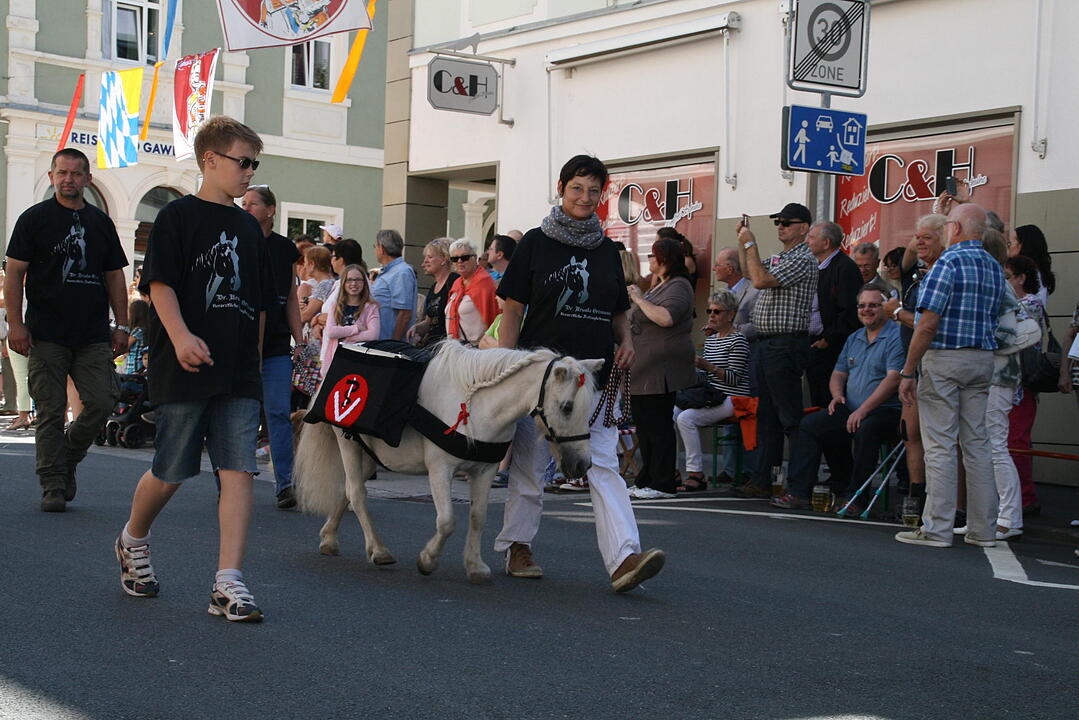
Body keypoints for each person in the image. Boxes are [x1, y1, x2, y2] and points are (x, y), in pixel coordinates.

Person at [115, 116, 275, 621]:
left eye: (254, 163)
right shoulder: (177, 216)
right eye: (242, 161)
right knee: (172, 471)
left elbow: (258, 301)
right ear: (210, 159)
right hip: (183, 364)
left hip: (238, 369)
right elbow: (159, 284)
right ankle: (132, 539)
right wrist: (181, 336)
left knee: (238, 469)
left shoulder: (249, 228)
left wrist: (255, 356)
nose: (249, 172)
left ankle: (229, 581)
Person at [494, 154, 665, 592]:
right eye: (577, 188)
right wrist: (507, 364)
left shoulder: (608, 250)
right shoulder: (535, 242)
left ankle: (624, 558)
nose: (585, 198)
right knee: (532, 465)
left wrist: (626, 341)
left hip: (594, 377)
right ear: (561, 188)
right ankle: (517, 545)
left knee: (603, 464)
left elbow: (619, 311)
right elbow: (512, 309)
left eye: (593, 190)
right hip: (541, 378)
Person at [4, 147, 128, 512]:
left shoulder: (100, 223)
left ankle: (68, 455)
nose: (68, 179)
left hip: (92, 333)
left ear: (88, 178)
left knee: (103, 400)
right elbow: (14, 273)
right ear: (51, 177)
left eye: (76, 173)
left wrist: (122, 325)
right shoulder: (34, 219)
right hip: (45, 333)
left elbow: (115, 277)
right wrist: (15, 323)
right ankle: (53, 484)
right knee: (50, 410)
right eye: (62, 172)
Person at [894, 203, 1005, 548]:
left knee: (940, 445)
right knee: (977, 444)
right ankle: (983, 529)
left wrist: (908, 370)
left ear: (954, 228)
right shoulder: (993, 265)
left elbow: (927, 324)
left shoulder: (948, 262)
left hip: (945, 358)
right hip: (982, 358)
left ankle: (937, 528)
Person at [772, 287, 903, 510]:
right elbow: (838, 373)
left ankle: (856, 499)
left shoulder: (897, 336)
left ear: (886, 308)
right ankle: (799, 493)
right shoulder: (854, 337)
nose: (867, 310)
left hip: (885, 410)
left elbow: (893, 379)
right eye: (862, 305)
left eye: (873, 305)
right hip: (851, 408)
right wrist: (837, 396)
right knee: (810, 425)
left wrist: (863, 410)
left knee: (867, 429)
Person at [734, 203, 818, 498]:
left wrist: (750, 243)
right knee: (767, 416)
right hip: (768, 343)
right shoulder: (783, 257)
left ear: (803, 228)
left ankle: (798, 487)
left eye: (786, 222)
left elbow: (760, 280)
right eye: (778, 222)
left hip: (785, 343)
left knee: (790, 418)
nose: (780, 226)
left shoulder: (803, 258)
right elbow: (749, 271)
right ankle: (762, 480)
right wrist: (743, 241)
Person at [242, 185, 303, 510]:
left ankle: (286, 484)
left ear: (270, 210)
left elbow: (291, 297)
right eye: (243, 203)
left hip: (277, 346)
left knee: (278, 413)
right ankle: (234, 484)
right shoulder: (238, 242)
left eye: (252, 204)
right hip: (241, 346)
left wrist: (300, 338)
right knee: (242, 416)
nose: (246, 208)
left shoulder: (284, 249)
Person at [625, 237, 697, 499]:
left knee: (658, 426)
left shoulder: (679, 285)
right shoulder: (660, 285)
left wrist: (639, 299)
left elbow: (666, 318)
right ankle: (647, 477)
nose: (650, 260)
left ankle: (663, 482)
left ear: (665, 259)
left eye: (653, 256)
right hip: (643, 368)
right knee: (645, 427)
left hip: (661, 368)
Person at [882, 214, 947, 500]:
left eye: (927, 237)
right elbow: (911, 249)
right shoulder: (913, 274)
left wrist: (897, 312)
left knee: (943, 440)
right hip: (914, 365)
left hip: (937, 363)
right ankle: (916, 496)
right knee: (910, 433)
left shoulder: (946, 271)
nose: (918, 242)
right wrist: (934, 212)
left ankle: (949, 505)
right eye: (917, 236)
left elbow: (928, 324)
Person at [673, 290, 750, 491]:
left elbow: (734, 379)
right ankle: (671, 470)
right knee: (670, 413)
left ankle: (696, 474)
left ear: (730, 314)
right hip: (712, 395)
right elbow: (705, 378)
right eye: (709, 311)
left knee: (686, 418)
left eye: (717, 311)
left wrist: (708, 367)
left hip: (734, 397)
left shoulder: (738, 340)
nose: (712, 315)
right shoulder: (712, 340)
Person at [1004, 254, 1047, 515]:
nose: (1003, 282)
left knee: (1016, 443)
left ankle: (1026, 498)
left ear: (1021, 278)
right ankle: (1013, 498)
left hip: (1022, 386)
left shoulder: (1031, 304)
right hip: (1006, 383)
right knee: (1006, 443)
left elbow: (1011, 327)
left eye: (1007, 277)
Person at [805, 222, 862, 408]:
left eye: (811, 237)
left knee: (832, 400)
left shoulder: (845, 268)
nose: (807, 242)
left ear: (826, 242)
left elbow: (850, 310)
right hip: (815, 345)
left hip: (834, 349)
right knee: (817, 399)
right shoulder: (816, 267)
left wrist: (828, 339)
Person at [321, 264, 379, 372]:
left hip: (360, 360)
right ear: (343, 283)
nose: (354, 283)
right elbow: (331, 332)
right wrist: (356, 328)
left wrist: (345, 338)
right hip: (336, 359)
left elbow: (373, 334)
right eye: (349, 280)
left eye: (358, 280)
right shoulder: (336, 306)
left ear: (364, 282)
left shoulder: (371, 307)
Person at [445, 238, 499, 346]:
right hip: (455, 346)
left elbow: (493, 317)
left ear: (475, 258)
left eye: (464, 257)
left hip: (476, 349)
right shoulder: (456, 283)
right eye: (455, 259)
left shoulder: (484, 283)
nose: (459, 261)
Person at [408, 238, 457, 348]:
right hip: (432, 346)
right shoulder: (433, 288)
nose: (424, 262)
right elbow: (428, 321)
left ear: (444, 259)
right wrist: (416, 328)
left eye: (429, 257)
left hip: (449, 347)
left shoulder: (454, 281)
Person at [370, 229, 417, 341]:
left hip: (388, 345)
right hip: (379, 342)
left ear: (381, 249)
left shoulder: (401, 272)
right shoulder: (388, 272)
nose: (375, 250)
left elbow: (405, 314)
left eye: (375, 246)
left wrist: (393, 343)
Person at [713, 247, 758, 341]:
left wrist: (728, 330)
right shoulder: (722, 292)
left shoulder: (755, 292)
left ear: (730, 269)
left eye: (717, 265)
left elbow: (757, 327)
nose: (713, 269)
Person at [1008, 225, 1054, 309]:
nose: (1009, 247)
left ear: (1022, 245)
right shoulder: (1039, 272)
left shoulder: (1029, 273)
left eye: (1010, 243)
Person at [121, 298, 150, 375]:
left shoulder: (137, 331)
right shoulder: (146, 330)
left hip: (134, 368)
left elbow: (124, 347)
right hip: (141, 368)